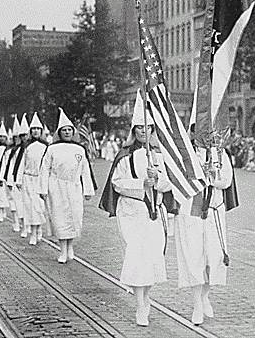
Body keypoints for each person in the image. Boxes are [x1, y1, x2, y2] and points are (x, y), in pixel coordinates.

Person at [99, 90, 178, 327]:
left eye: (148, 128)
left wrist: (158, 180)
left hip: (153, 211)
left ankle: (147, 296)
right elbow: (117, 183)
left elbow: (168, 184)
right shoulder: (125, 156)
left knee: (151, 256)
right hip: (132, 211)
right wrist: (140, 184)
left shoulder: (159, 156)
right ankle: (140, 305)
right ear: (134, 131)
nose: (144, 132)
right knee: (136, 254)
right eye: (140, 129)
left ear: (153, 131)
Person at [173, 123, 238, 326]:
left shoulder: (220, 154)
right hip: (191, 211)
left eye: (209, 134)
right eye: (200, 133)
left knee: (214, 257)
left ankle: (205, 295)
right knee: (194, 257)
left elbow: (226, 181)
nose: (206, 138)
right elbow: (179, 179)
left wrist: (211, 177)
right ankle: (196, 304)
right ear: (192, 134)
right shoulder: (184, 155)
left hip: (213, 211)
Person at [39, 108, 96, 263]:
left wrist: (88, 190)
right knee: (59, 217)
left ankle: (70, 246)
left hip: (74, 186)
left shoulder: (79, 149)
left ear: (73, 132)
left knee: (74, 216)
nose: (67, 133)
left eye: (69, 130)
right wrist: (43, 189)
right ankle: (62, 249)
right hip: (56, 187)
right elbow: (44, 169)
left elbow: (85, 170)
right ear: (59, 132)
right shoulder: (51, 149)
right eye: (63, 130)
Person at [15, 112, 49, 245]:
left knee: (39, 206)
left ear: (41, 131)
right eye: (33, 129)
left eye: (38, 129)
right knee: (29, 206)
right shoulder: (26, 146)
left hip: (40, 180)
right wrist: (18, 180)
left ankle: (38, 229)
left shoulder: (46, 147)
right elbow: (21, 163)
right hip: (28, 179)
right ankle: (33, 232)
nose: (35, 131)